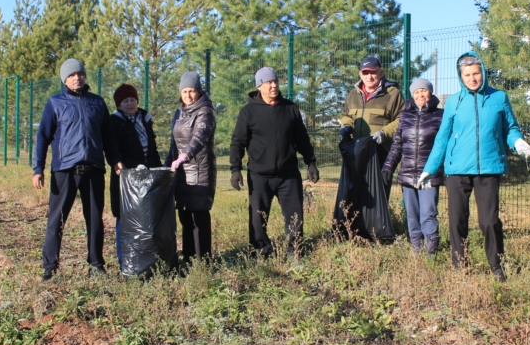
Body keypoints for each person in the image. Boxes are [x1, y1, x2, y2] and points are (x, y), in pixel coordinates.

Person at [418, 52, 530, 281]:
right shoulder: (453, 102)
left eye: (476, 73)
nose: (473, 78)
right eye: (467, 75)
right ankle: (460, 266)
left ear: (484, 73)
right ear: (460, 77)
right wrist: (430, 167)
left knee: (489, 221)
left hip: (489, 168)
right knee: (457, 220)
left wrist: (518, 142)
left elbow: (510, 128)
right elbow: (443, 137)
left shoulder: (499, 98)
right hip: (457, 169)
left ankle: (496, 265)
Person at [33, 58, 124, 282]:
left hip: (93, 169)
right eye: (72, 75)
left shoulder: (97, 103)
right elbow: (43, 137)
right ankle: (50, 267)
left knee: (94, 220)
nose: (77, 78)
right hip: (64, 171)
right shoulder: (55, 103)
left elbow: (109, 138)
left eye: (80, 74)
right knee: (57, 220)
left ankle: (96, 264)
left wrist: (115, 160)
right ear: (65, 79)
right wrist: (38, 168)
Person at [230, 67, 320, 257]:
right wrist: (235, 169)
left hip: (288, 175)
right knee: (257, 219)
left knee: (295, 217)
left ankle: (294, 252)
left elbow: (302, 138)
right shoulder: (248, 111)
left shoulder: (290, 108)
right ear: (259, 86)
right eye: (269, 82)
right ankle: (261, 252)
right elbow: (238, 142)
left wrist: (310, 161)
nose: (274, 85)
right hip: (259, 176)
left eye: (276, 81)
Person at [381, 78, 444, 256]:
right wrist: (388, 167)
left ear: (430, 93)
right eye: (416, 92)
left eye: (424, 91)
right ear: (412, 95)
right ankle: (417, 249)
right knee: (412, 214)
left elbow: (444, 144)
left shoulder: (440, 115)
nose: (420, 94)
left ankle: (431, 253)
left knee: (428, 213)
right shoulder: (405, 117)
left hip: (429, 174)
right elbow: (397, 146)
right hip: (408, 174)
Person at [165, 72, 217, 264]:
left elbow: (199, 137)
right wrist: (168, 164)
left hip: (199, 172)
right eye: (185, 91)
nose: (188, 95)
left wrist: (185, 156)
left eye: (192, 91)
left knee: (198, 218)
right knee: (185, 216)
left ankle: (202, 261)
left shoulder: (205, 111)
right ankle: (188, 259)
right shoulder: (179, 112)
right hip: (181, 173)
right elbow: (174, 143)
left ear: (199, 91)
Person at [108, 83, 162, 266]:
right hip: (126, 178)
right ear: (119, 104)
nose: (130, 103)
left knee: (146, 218)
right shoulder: (114, 122)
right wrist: (123, 165)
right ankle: (126, 261)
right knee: (125, 218)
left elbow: (152, 150)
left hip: (147, 178)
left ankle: (147, 258)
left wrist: (159, 170)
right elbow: (112, 149)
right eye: (125, 101)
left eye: (132, 100)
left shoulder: (144, 120)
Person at [340, 56, 406, 197]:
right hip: (356, 152)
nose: (369, 77)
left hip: (380, 153)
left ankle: (377, 220)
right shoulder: (353, 94)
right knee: (356, 196)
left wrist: (384, 133)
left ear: (381, 73)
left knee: (377, 196)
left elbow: (403, 119)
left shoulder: (392, 94)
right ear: (360, 74)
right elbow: (347, 115)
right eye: (365, 73)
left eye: (373, 72)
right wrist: (346, 125)